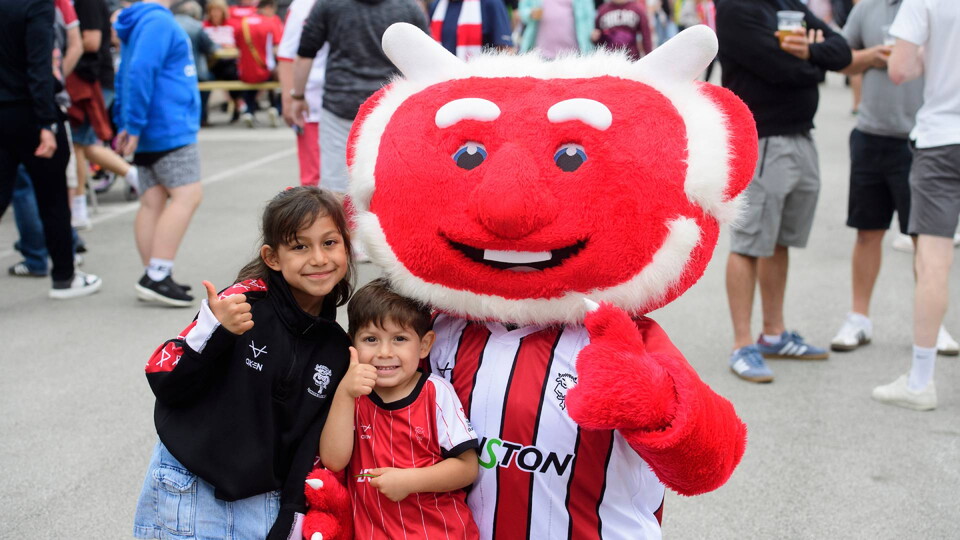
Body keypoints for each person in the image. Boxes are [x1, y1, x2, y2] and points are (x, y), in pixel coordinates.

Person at [132, 186, 355, 540]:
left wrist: (291, 517)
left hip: (263, 505)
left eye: (330, 243)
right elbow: (165, 380)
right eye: (300, 246)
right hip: (188, 490)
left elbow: (307, 448)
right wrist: (214, 331)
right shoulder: (239, 305)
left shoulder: (337, 348)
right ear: (272, 257)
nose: (318, 258)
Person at [717, 0, 852, 383]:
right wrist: (813, 62)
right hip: (762, 142)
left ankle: (773, 333)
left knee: (779, 241)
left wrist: (809, 51)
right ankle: (742, 344)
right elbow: (782, 69)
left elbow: (840, 52)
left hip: (800, 137)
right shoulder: (735, 9)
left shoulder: (787, 2)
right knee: (748, 244)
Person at [831, 0, 958, 356]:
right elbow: (841, 58)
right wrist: (874, 56)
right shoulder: (866, 8)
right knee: (867, 231)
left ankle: (934, 326)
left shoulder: (931, 5)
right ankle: (858, 317)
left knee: (926, 240)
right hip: (871, 133)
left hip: (921, 139)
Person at [319, 278, 480, 538]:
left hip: (439, 533)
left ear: (425, 345)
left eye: (399, 338)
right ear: (352, 344)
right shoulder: (352, 394)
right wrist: (345, 393)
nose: (384, 352)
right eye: (371, 339)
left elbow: (466, 467)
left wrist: (409, 481)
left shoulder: (435, 393)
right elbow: (334, 460)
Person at [872, 0, 960, 410]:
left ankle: (921, 381)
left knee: (933, 263)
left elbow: (900, 69)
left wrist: (932, 55)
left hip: (943, 138)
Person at [0, 0, 102, 298]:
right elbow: (40, 65)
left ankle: (63, 273)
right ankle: (64, 276)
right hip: (32, 112)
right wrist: (47, 121)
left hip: (7, 110)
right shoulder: (37, 5)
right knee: (53, 198)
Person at [114, 0, 204, 307]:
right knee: (187, 195)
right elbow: (138, 71)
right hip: (168, 126)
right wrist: (132, 124)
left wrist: (127, 122)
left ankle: (154, 272)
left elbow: (126, 71)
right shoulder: (159, 21)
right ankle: (157, 274)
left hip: (151, 127)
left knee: (152, 201)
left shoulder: (139, 21)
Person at [291, 0, 429, 198]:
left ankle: (337, 229)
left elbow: (305, 54)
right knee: (386, 185)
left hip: (340, 105)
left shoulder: (328, 5)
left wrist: (297, 95)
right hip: (388, 109)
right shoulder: (408, 7)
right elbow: (423, 57)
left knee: (335, 188)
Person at [69, 0, 138, 230]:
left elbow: (90, 42)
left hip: (93, 82)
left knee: (77, 143)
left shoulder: (86, 3)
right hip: (93, 80)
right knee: (82, 143)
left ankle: (78, 208)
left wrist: (62, 38)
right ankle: (132, 175)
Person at [278, 0, 328, 186]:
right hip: (311, 103)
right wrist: (289, 99)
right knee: (314, 181)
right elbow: (286, 54)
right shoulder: (302, 5)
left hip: (352, 100)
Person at [234, 0, 284, 127]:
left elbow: (236, 44)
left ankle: (249, 111)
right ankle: (276, 108)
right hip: (265, 70)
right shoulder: (272, 22)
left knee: (251, 85)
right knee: (284, 78)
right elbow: (279, 46)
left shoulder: (243, 22)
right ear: (269, 7)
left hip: (244, 72)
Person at [174, 1, 218, 126]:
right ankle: (201, 117)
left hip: (174, 72)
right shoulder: (197, 26)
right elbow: (211, 48)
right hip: (195, 71)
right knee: (209, 81)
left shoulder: (171, 23)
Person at [428, 0, 514, 60]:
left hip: (480, 81)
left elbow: (506, 52)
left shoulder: (490, 3)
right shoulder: (436, 6)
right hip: (443, 80)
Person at [518, 0, 596, 58]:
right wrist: (530, 13)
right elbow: (522, 11)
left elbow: (589, 17)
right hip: (542, 54)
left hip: (572, 55)